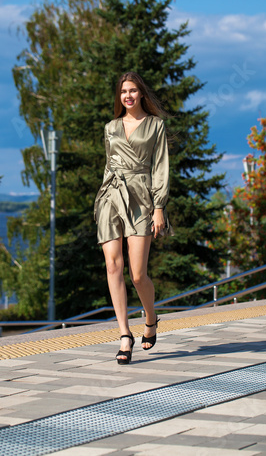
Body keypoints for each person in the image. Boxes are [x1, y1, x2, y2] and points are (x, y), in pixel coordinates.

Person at [94, 72, 173, 365]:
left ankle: (151, 318)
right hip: (110, 197)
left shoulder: (155, 126)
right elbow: (108, 165)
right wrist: (102, 199)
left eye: (132, 91)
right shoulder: (111, 127)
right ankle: (124, 335)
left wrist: (159, 207)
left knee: (138, 274)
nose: (127, 96)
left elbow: (161, 167)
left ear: (141, 94)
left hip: (142, 198)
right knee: (113, 265)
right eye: (123, 92)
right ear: (120, 96)